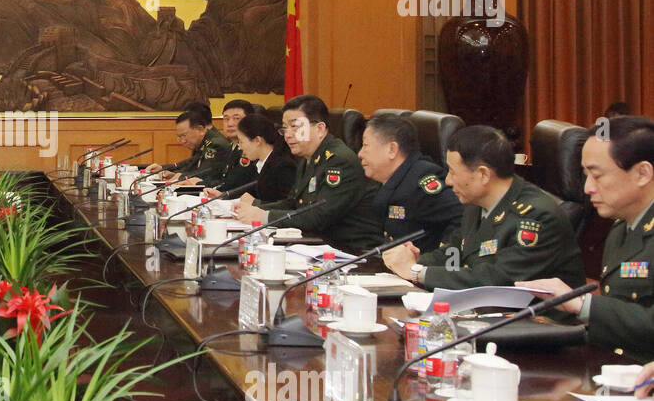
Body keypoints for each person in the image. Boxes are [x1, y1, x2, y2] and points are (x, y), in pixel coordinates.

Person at [382, 124, 585, 290]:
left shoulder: (536, 216)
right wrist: (415, 260)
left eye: (453, 172)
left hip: (542, 326)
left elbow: (497, 279)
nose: (449, 181)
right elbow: (454, 252)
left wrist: (417, 272)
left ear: (483, 175)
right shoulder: (476, 204)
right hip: (491, 315)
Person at [520, 116, 654, 360]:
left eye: (597, 175)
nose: (587, 188)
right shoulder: (620, 228)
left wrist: (581, 304)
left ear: (642, 173)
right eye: (585, 176)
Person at [232, 94, 383, 253]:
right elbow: (295, 202)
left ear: (319, 129)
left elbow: (319, 217)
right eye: (285, 128)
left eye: (295, 126)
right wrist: (256, 207)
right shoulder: (307, 158)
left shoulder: (339, 161)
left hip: (351, 253)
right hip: (319, 245)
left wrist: (265, 217)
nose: (288, 135)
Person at [357, 113, 463, 254]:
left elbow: (462, 218)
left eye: (365, 146)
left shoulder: (422, 182)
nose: (360, 154)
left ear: (392, 150)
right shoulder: (390, 180)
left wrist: (438, 262)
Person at [202, 112, 296, 203]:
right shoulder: (263, 163)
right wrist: (224, 196)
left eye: (241, 142)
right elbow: (253, 190)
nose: (240, 147)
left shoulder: (283, 166)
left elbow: (286, 204)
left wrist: (255, 203)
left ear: (257, 140)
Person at [144, 104, 228, 186]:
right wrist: (169, 172)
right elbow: (190, 164)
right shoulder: (201, 141)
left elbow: (204, 173)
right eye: (180, 137)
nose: (182, 141)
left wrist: (181, 176)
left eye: (184, 135)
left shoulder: (215, 144)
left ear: (200, 129)